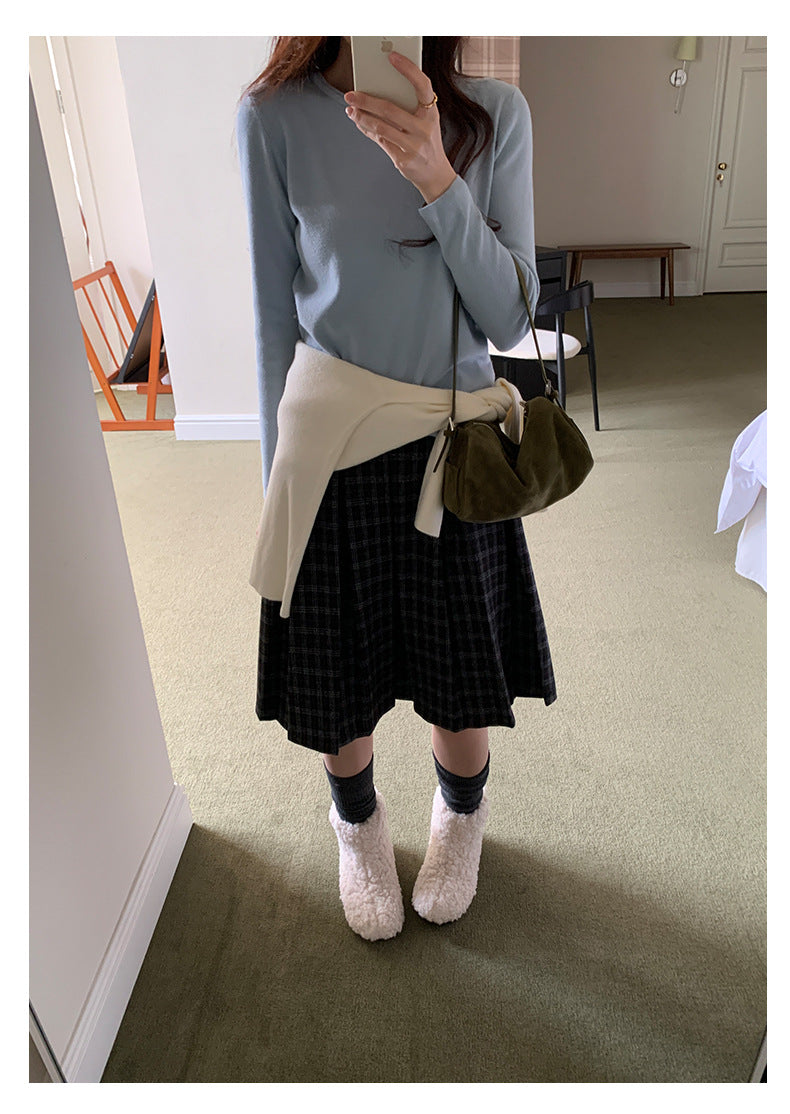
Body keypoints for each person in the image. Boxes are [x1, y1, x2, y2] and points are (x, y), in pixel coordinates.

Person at [236, 36, 556, 942]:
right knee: (340, 673)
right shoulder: (271, 117)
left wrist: (437, 178)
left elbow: (511, 318)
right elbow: (271, 314)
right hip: (331, 442)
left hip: (453, 441)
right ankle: (358, 826)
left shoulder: (494, 117)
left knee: (461, 670)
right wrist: (277, 480)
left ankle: (461, 813)